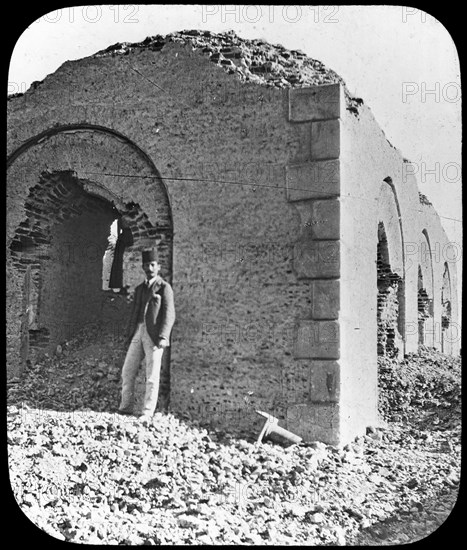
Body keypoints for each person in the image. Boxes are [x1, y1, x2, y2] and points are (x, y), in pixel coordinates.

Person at [117, 248, 175, 424]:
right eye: (146, 265)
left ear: (158, 267)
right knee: (127, 371)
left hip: (154, 335)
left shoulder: (164, 288)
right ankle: (125, 407)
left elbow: (169, 313)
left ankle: (147, 412)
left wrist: (164, 336)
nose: (149, 268)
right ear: (143, 267)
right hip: (139, 331)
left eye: (152, 264)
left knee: (152, 375)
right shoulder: (140, 289)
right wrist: (129, 334)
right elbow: (134, 313)